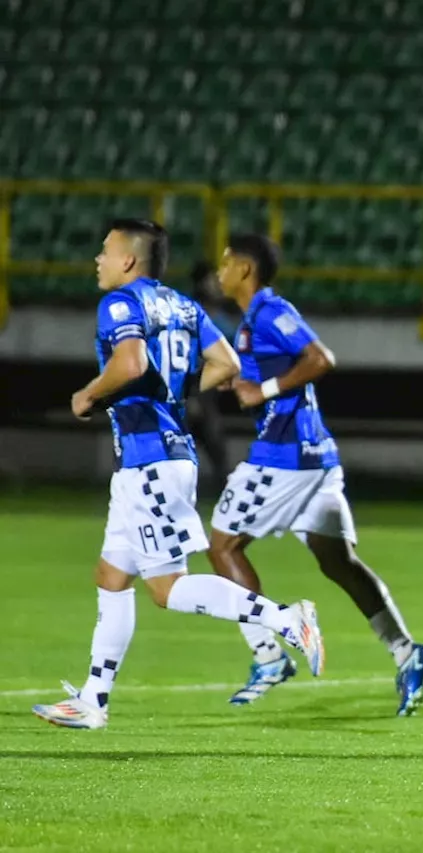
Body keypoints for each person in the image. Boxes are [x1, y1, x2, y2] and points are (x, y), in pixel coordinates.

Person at [32, 219, 324, 731]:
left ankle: (286, 619)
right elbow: (227, 362)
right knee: (112, 576)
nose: (97, 260)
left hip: (150, 461)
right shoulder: (182, 305)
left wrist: (89, 395)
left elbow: (129, 362)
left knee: (167, 589)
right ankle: (93, 700)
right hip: (156, 461)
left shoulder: (121, 303)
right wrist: (175, 388)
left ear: (128, 260)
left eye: (105, 251)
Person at [207, 234, 423, 716]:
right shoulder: (253, 322)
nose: (219, 269)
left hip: (287, 454)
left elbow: (320, 359)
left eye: (227, 262)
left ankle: (268, 654)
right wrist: (244, 382)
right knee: (337, 560)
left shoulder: (271, 310)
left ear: (246, 270)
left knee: (222, 545)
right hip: (315, 456)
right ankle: (407, 652)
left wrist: (262, 388)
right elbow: (270, 375)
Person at [184, 261, 236, 488]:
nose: (216, 284)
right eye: (211, 280)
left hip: (208, 395)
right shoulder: (191, 314)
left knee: (217, 452)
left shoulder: (220, 317)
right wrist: (191, 396)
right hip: (192, 393)